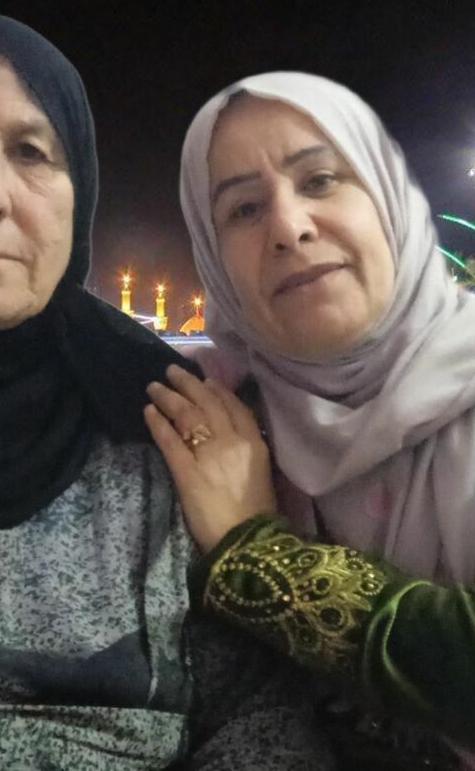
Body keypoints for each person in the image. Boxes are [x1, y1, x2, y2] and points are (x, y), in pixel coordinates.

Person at [0, 24, 336, 770]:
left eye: (31, 152)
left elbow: (258, 713)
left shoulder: (163, 421)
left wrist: (249, 541)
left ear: (79, 201)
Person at [144, 73, 475, 768]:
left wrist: (256, 552)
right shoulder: (214, 413)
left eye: (321, 180)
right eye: (242, 209)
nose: (289, 228)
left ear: (388, 198)